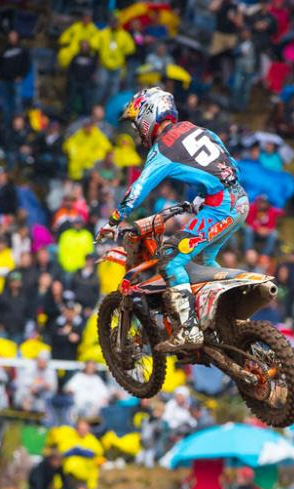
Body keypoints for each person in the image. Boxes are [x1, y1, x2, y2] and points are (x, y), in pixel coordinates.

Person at [103, 87, 249, 352]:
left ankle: (189, 330)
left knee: (170, 256)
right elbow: (227, 164)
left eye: (137, 125)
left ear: (148, 115)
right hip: (238, 198)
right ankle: (216, 319)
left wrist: (113, 220)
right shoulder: (196, 129)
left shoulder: (163, 149)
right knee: (203, 261)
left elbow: (138, 188)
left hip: (221, 208)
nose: (137, 132)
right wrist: (201, 199)